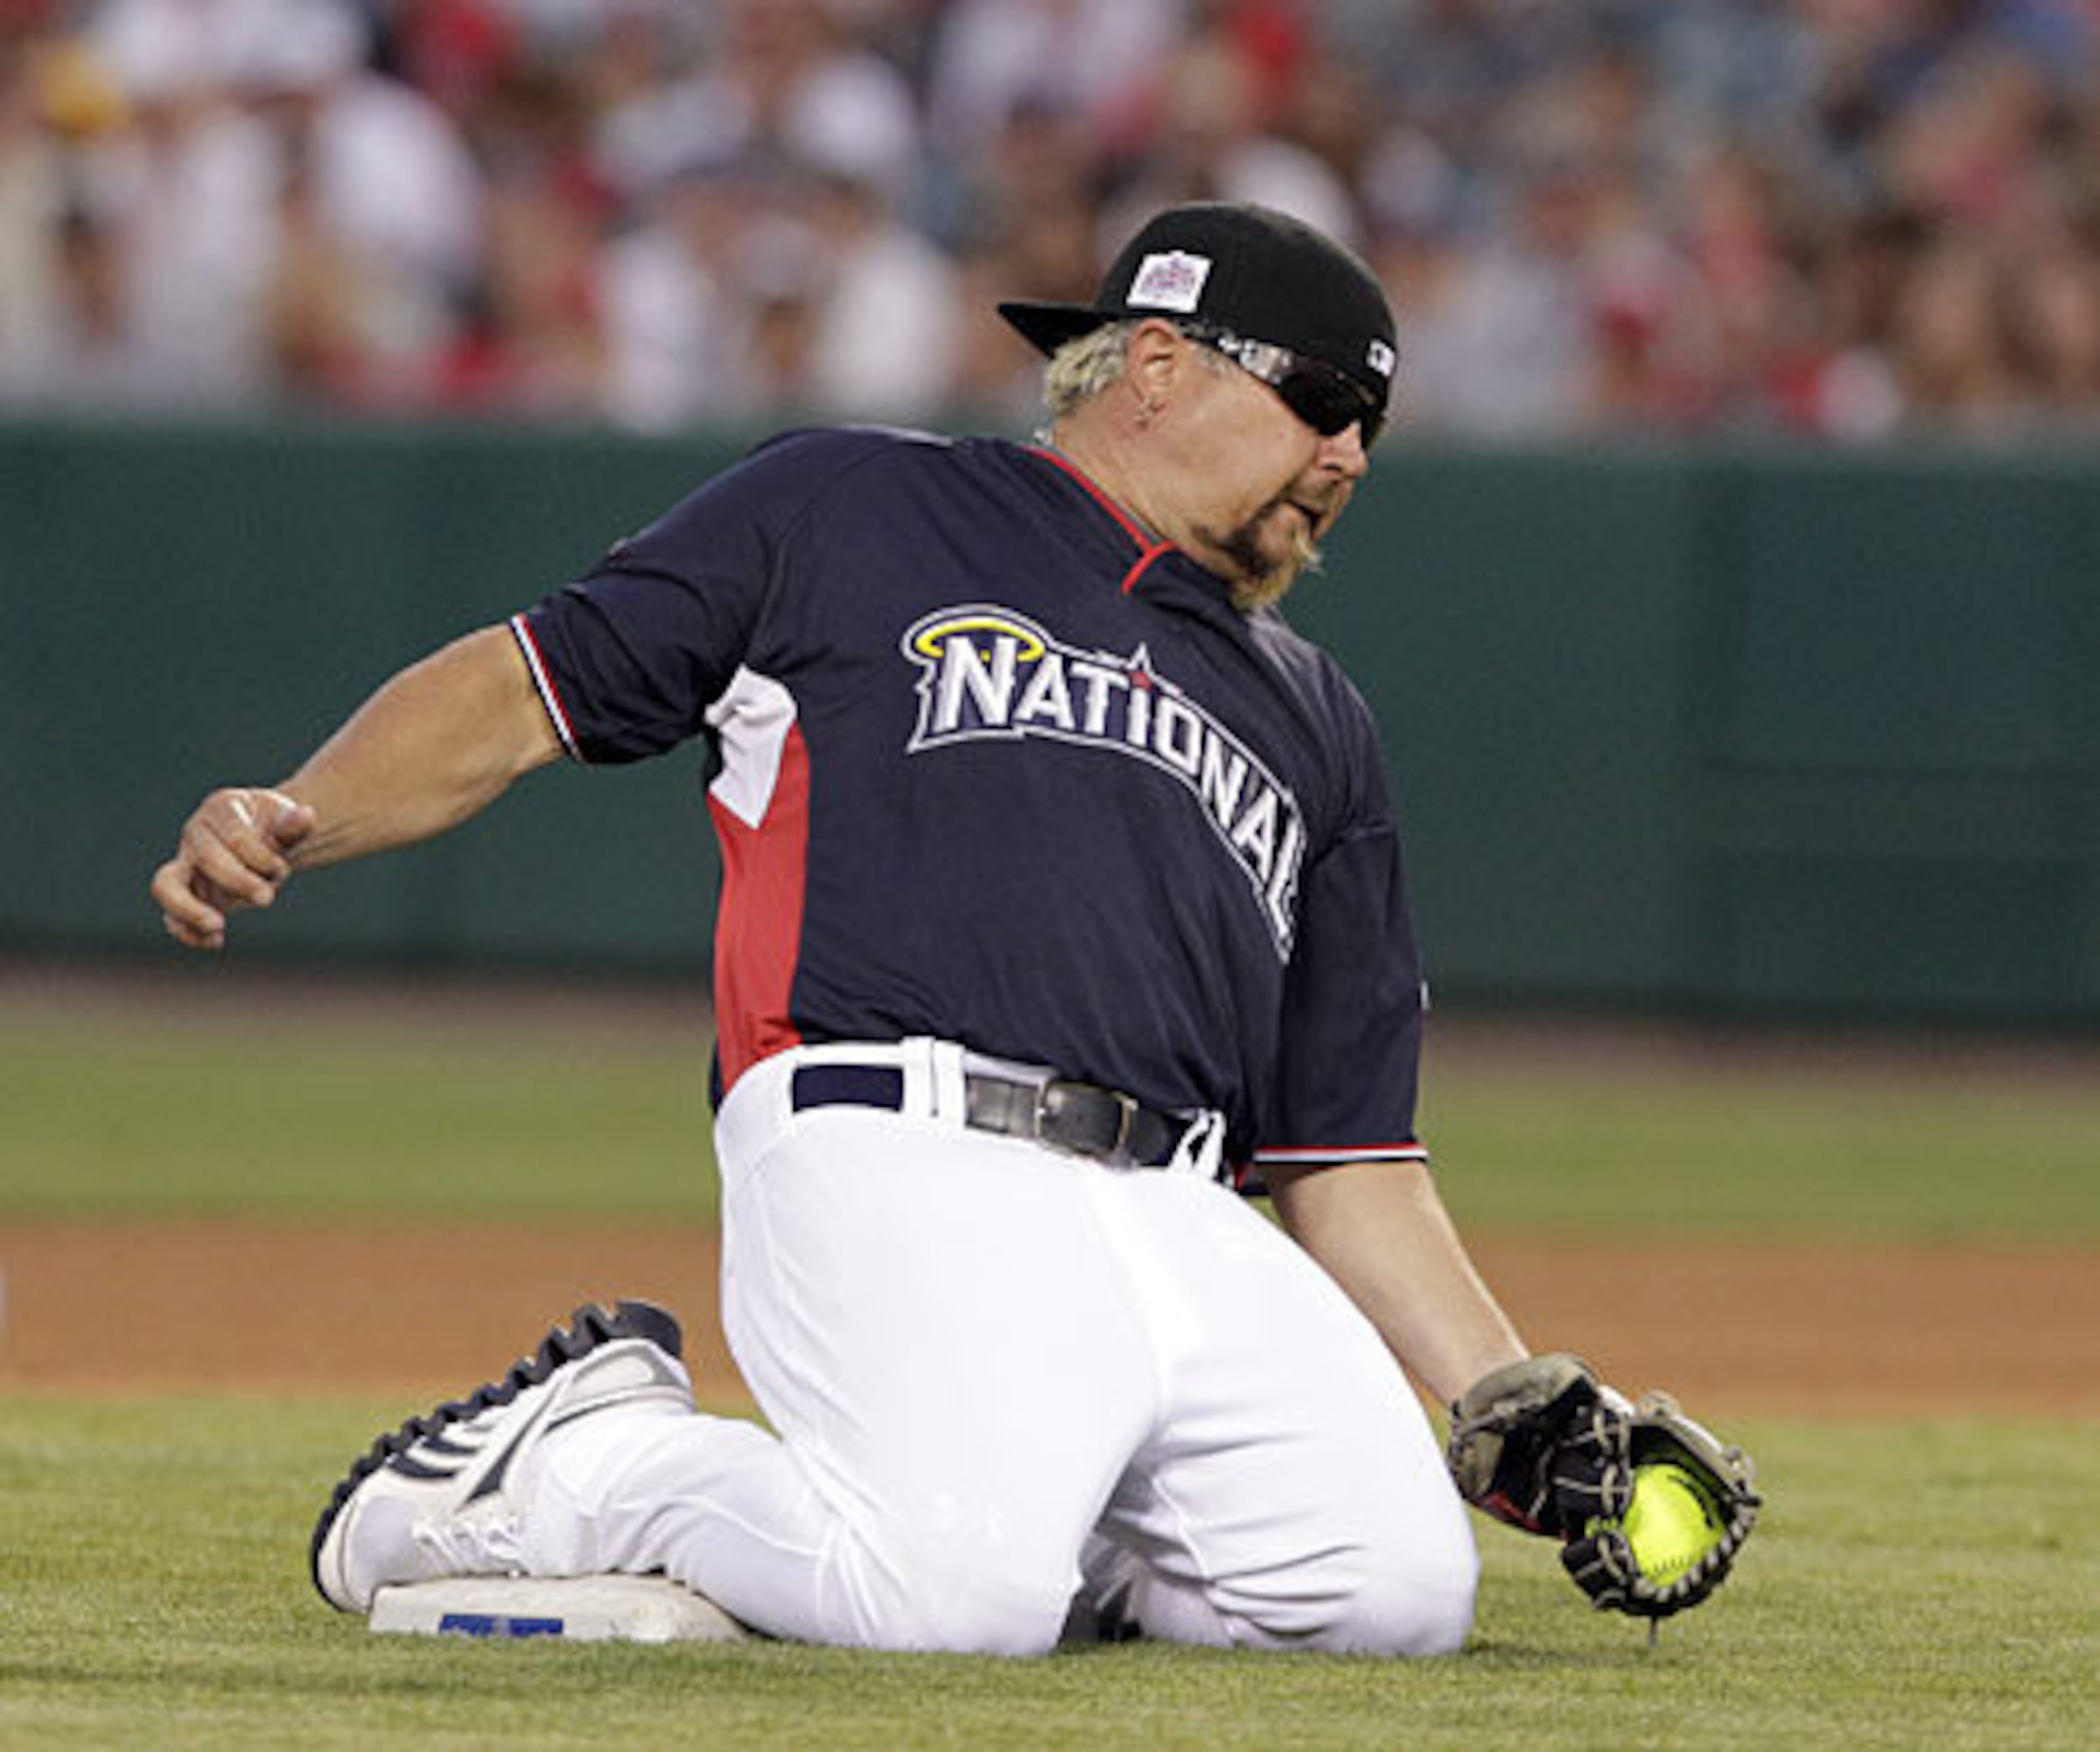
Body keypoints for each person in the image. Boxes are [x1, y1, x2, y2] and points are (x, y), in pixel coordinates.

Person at [148, 202, 1641, 1656]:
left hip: (1179, 1210)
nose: (1349, 455)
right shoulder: (857, 505)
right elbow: (528, 686)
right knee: (947, 1601)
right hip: (894, 1130)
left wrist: (1511, 1394)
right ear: (1159, 364)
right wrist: (298, 809)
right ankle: (588, 1456)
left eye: (1370, 424)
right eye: (1321, 399)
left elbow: (1345, 1156)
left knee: (1388, 1596)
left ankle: (1037, 1512)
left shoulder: (1320, 719)